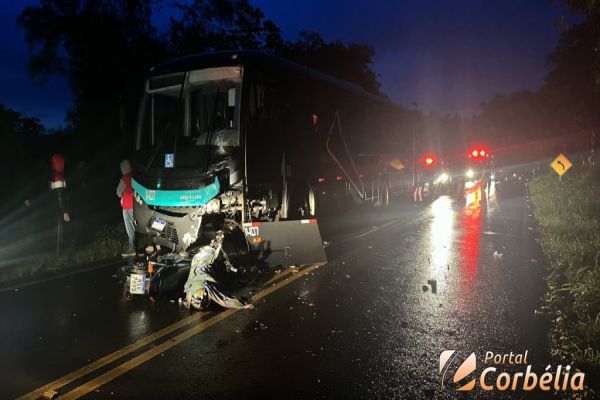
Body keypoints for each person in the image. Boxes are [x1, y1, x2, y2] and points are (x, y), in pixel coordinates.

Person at [49, 153, 70, 255]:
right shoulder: (58, 177)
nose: (63, 164)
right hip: (59, 210)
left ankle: (56, 253)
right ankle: (59, 254)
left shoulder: (52, 175)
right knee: (60, 232)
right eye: (62, 162)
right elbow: (60, 196)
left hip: (53, 209)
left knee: (57, 231)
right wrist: (64, 211)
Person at [116, 160, 136, 257]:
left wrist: (122, 196)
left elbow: (118, 192)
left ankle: (131, 248)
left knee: (129, 227)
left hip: (127, 206)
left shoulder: (124, 178)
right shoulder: (135, 176)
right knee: (134, 225)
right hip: (135, 205)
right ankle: (132, 246)